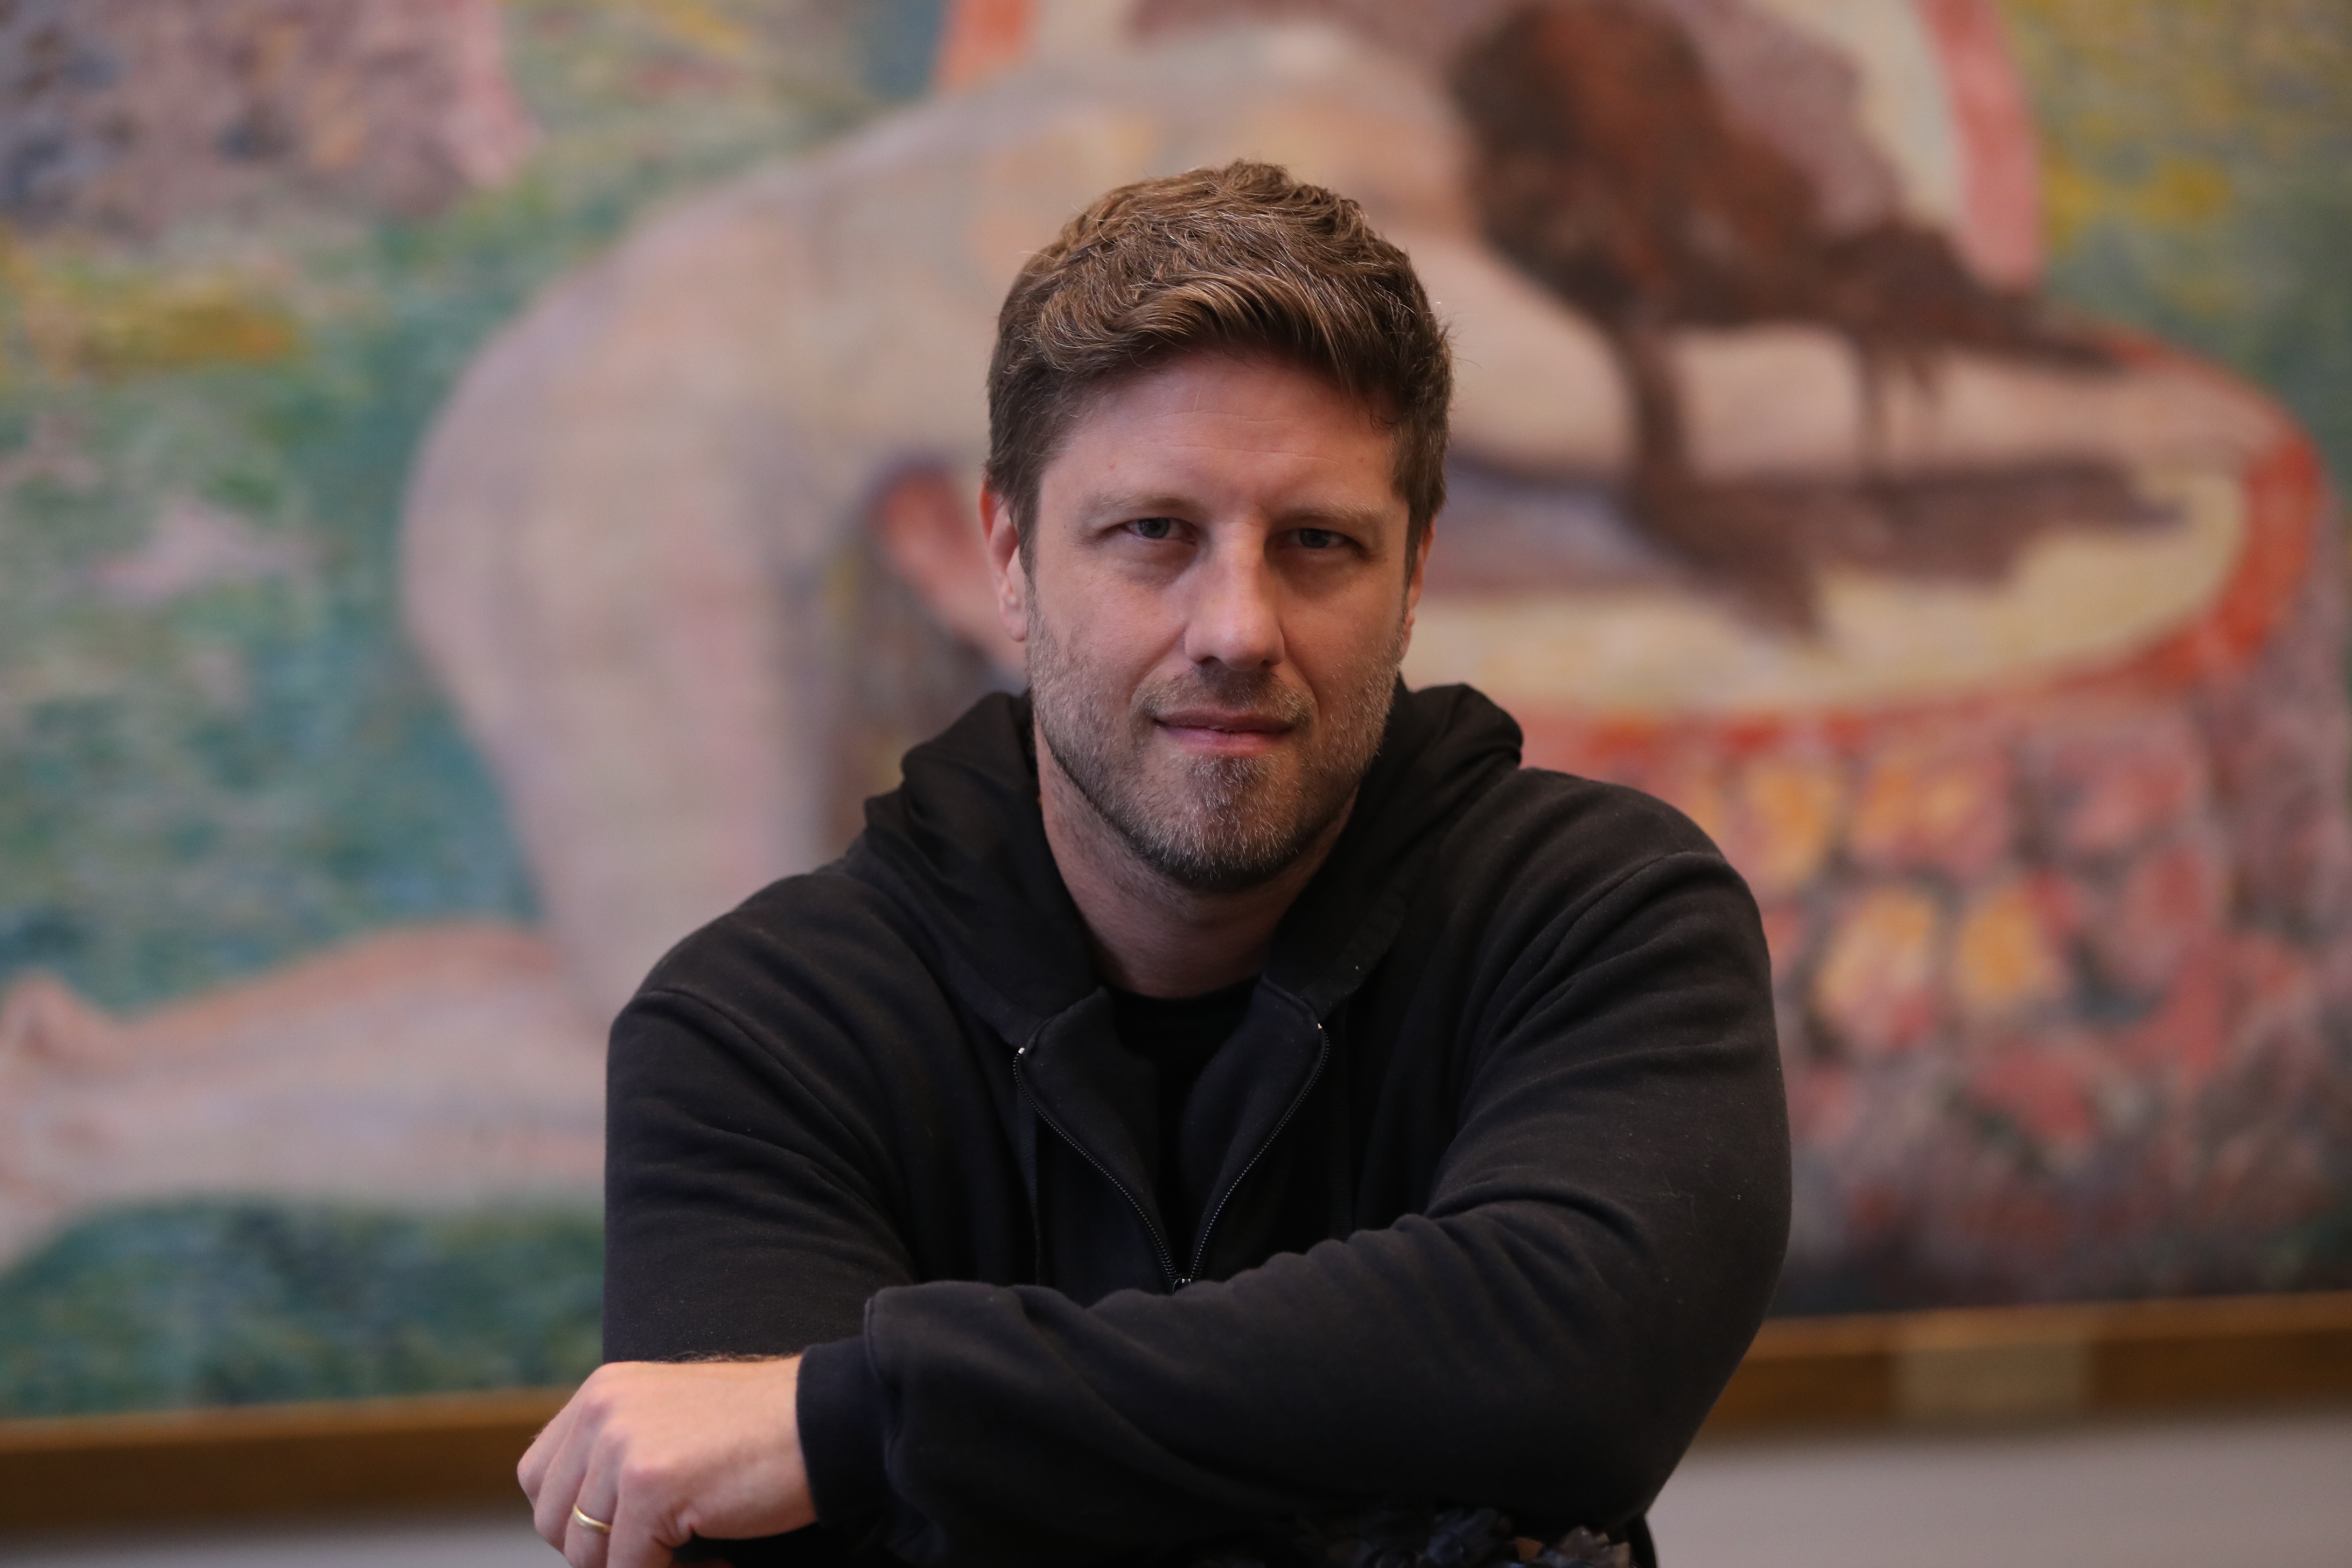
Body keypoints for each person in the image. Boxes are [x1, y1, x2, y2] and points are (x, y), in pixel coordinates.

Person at [519, 160, 1790, 1568]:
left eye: (1318, 543)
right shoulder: (758, 1031)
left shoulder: (1603, 917)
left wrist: (863, 1412)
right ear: (1009, 554)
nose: (1237, 627)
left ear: (1414, 574)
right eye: (1154, 535)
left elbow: (1571, 1366)